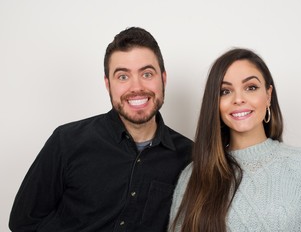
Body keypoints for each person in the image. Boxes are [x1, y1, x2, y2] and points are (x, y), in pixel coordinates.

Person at [9, 27, 193, 232]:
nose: (136, 87)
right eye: (123, 76)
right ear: (108, 84)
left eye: (147, 74)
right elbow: (24, 223)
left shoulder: (190, 157)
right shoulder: (66, 141)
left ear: (163, 79)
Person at [168, 48, 301, 232]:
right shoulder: (194, 176)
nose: (238, 99)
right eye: (225, 91)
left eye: (250, 87)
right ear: (215, 103)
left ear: (268, 95)